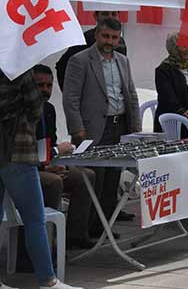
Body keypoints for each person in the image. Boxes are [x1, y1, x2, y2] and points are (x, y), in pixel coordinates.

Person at [0, 67, 81, 289]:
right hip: (18, 151)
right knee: (35, 220)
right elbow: (37, 109)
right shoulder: (19, 68)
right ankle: (47, 279)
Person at [62, 18, 141, 236]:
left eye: (114, 38)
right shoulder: (80, 60)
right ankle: (81, 232)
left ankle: (102, 227)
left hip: (119, 126)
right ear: (97, 34)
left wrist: (135, 129)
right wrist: (77, 128)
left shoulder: (123, 61)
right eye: (106, 36)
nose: (109, 41)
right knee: (92, 182)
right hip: (91, 130)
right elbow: (71, 98)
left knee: (111, 182)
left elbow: (131, 95)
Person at [32, 65, 96, 250]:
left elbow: (46, 144)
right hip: (26, 168)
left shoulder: (49, 109)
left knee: (86, 176)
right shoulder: (22, 113)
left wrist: (56, 161)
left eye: (49, 85)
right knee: (53, 182)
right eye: (40, 85)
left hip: (46, 162)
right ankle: (46, 245)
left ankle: (75, 236)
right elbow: (21, 152)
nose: (45, 90)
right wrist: (48, 163)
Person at [55, 10, 127, 91]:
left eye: (114, 14)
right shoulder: (85, 39)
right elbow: (62, 65)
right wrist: (70, 96)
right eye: (105, 14)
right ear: (96, 16)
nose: (110, 18)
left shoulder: (121, 42)